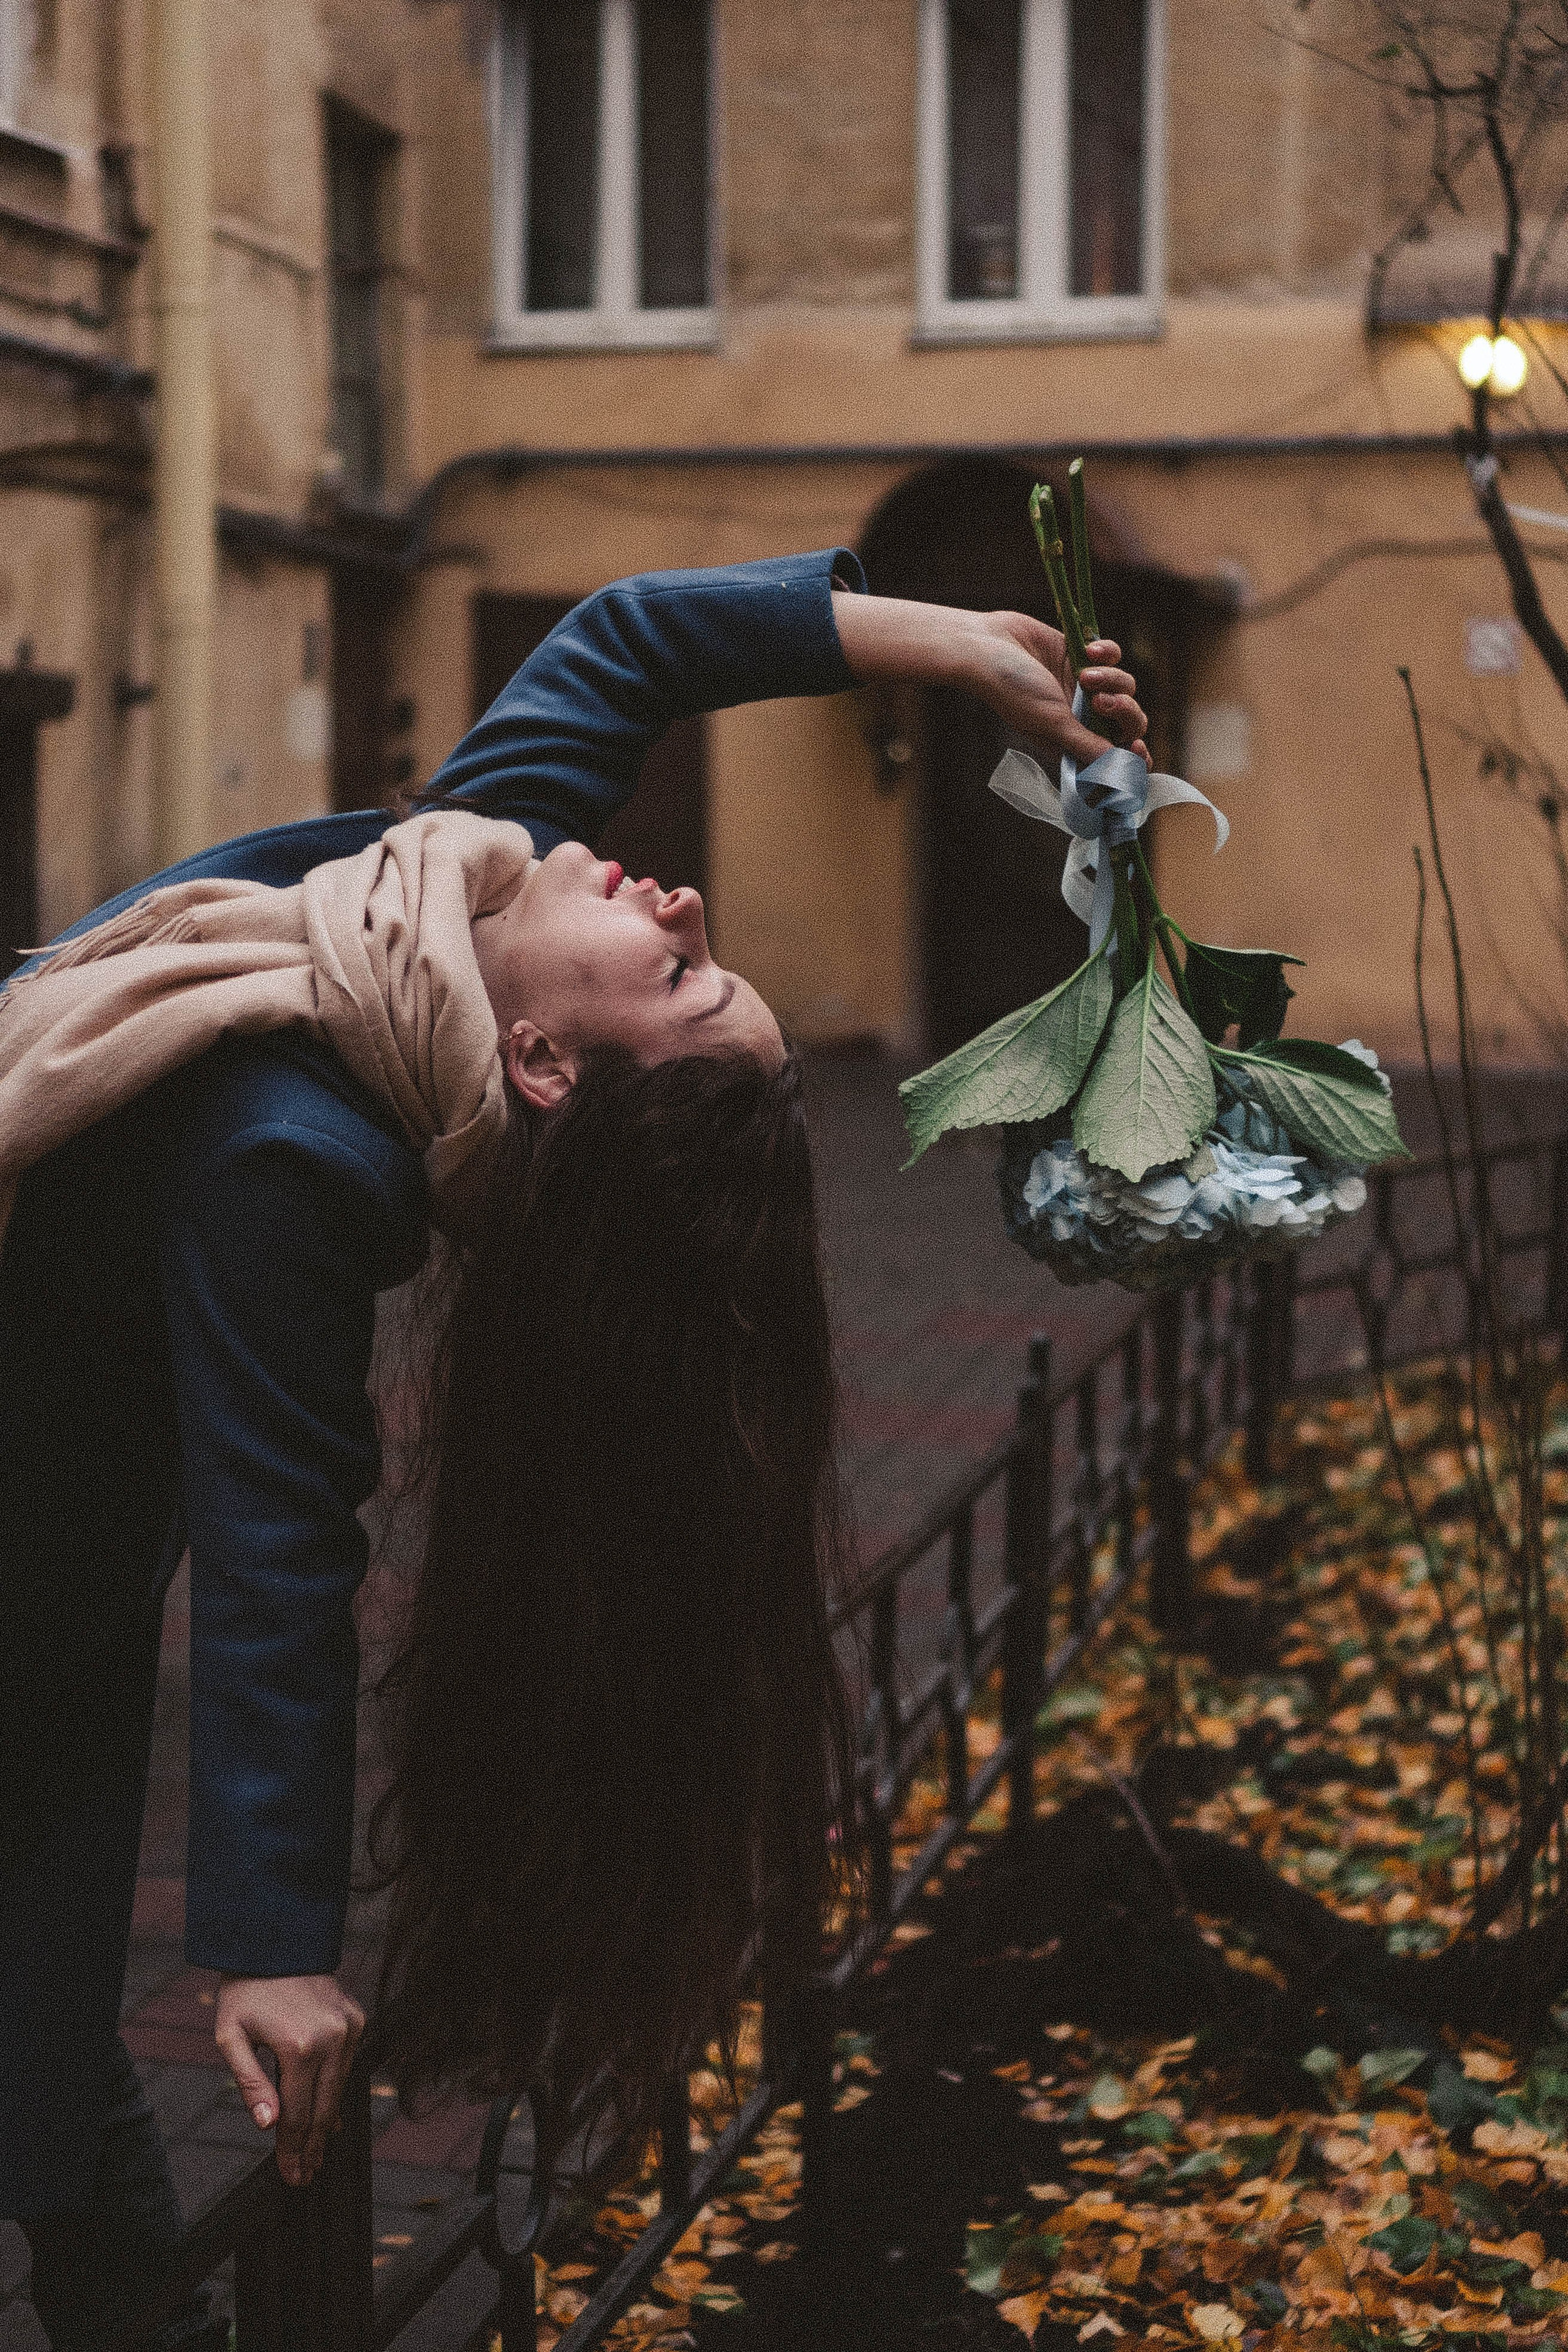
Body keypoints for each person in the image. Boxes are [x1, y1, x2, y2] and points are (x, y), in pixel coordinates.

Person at [0, 546, 1147, 2350]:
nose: (684, 903)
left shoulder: (300, 1150)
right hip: (46, 1522)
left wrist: (271, 1943)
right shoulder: (453, 899)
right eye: (708, 954)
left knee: (43, 2022)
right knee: (43, 2036)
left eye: (683, 978)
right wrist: (959, 652)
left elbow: (287, 1544)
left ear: (540, 1065)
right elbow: (625, 642)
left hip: (29, 1571)